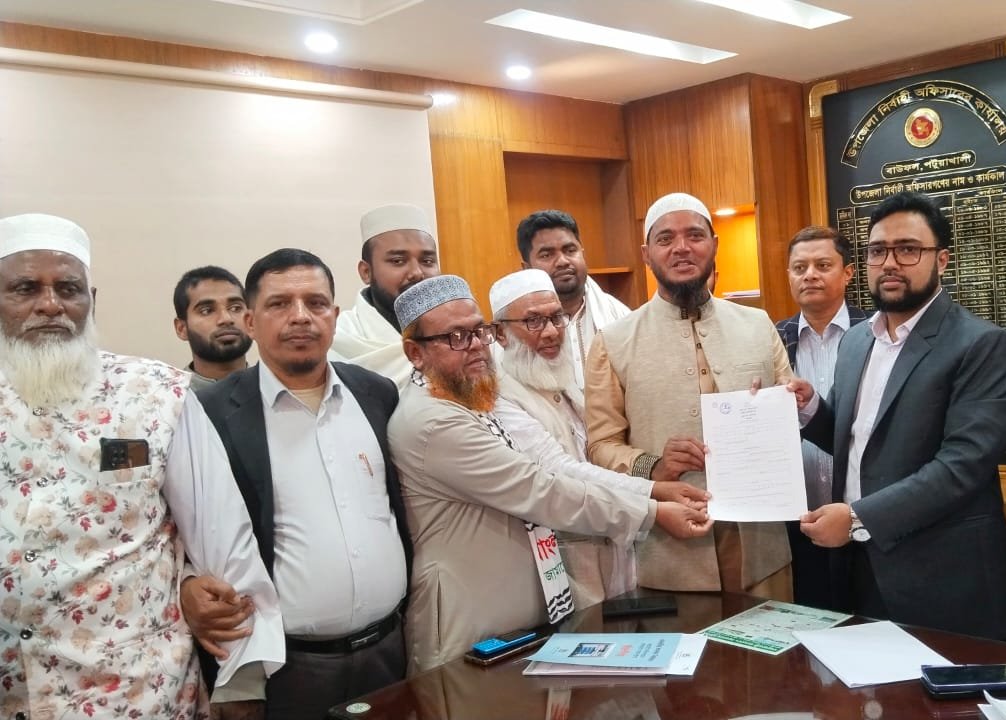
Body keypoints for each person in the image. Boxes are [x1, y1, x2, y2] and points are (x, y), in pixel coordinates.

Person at [0, 214, 282, 720]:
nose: (51, 305)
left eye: (69, 289)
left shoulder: (156, 394)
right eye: (26, 289)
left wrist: (242, 684)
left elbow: (224, 542)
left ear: (91, 300)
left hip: (139, 695)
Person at [387, 274, 712, 672]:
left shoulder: (470, 397)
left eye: (477, 331)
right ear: (414, 352)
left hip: (512, 607)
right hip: (467, 614)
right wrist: (652, 508)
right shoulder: (433, 421)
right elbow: (541, 488)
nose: (475, 345)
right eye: (456, 337)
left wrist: (653, 491)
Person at [793, 191, 1006, 640]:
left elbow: (962, 466)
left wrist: (856, 517)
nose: (890, 263)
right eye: (878, 251)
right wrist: (811, 408)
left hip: (943, 581)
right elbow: (853, 439)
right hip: (856, 568)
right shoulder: (857, 341)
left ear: (942, 260)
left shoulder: (982, 344)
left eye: (908, 250)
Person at [191, 248, 411, 719]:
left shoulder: (376, 393)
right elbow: (188, 526)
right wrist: (187, 583)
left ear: (335, 313)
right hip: (287, 668)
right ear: (250, 321)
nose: (301, 317)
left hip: (390, 652)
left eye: (316, 303)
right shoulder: (212, 413)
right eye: (279, 304)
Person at [585, 192, 792, 597]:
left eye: (694, 235)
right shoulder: (614, 341)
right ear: (646, 254)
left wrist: (789, 404)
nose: (681, 247)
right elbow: (601, 445)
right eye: (665, 239)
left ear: (714, 244)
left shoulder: (757, 324)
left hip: (761, 543)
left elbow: (788, 415)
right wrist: (655, 466)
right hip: (670, 553)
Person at [489, 268, 709, 607]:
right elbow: (559, 470)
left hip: (610, 551)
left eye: (556, 318)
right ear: (501, 334)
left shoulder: (561, 380)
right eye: (533, 321)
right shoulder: (501, 399)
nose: (551, 332)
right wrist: (654, 494)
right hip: (560, 563)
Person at [774, 226, 867, 609]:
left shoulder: (877, 335)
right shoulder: (771, 340)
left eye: (822, 265)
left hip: (861, 520)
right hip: (795, 521)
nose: (809, 275)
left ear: (848, 273)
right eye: (800, 268)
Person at [516, 210, 629, 390]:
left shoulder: (621, 317)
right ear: (527, 268)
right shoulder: (515, 330)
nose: (562, 261)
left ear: (582, 253)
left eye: (570, 250)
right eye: (546, 255)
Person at [332, 203, 440, 388]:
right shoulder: (339, 339)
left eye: (427, 261)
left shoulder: (460, 335)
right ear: (366, 272)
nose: (417, 273)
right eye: (398, 261)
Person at [173, 265, 253, 390]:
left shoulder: (276, 390)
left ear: (251, 320)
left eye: (235, 308)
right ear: (181, 328)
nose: (226, 319)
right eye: (207, 311)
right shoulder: (166, 398)